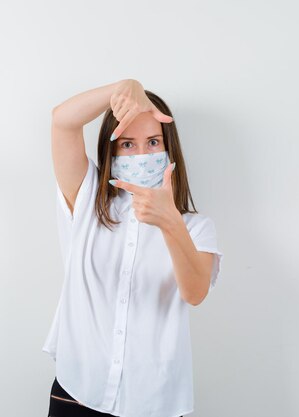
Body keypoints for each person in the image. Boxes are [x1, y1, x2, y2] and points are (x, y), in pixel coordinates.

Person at [43, 79, 223, 417]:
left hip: (154, 402)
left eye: (153, 142)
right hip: (78, 390)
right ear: (112, 151)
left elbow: (195, 291)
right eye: (127, 144)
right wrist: (125, 87)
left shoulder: (196, 227)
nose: (141, 154)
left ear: (169, 150)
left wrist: (170, 222)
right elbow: (62, 120)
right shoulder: (87, 201)